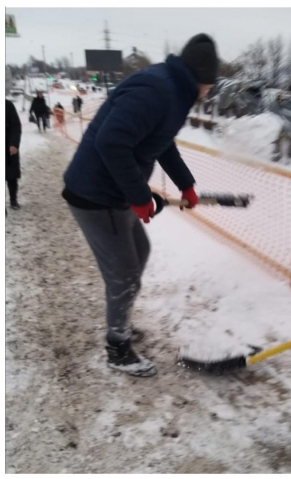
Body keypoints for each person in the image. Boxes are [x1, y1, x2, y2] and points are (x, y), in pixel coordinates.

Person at [61, 33, 219, 377]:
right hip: (96, 194)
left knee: (139, 255)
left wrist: (186, 184)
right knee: (125, 273)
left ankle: (121, 323)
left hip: (115, 191)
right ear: (202, 77)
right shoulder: (156, 90)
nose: (209, 92)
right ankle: (117, 348)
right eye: (210, 85)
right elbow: (111, 142)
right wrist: (140, 197)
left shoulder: (174, 91)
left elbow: (161, 142)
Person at [6, 99, 22, 210]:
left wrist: (13, 144)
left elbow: (16, 126)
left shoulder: (7, 105)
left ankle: (13, 200)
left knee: (11, 176)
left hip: (8, 148)